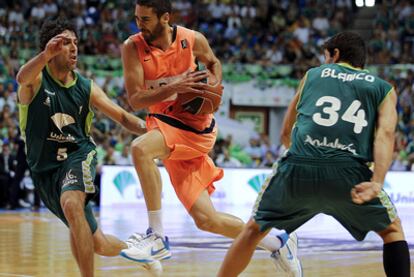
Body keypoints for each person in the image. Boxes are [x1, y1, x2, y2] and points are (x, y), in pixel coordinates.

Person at [119, 0, 301, 275]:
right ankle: (279, 242)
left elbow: (214, 63)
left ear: (165, 18)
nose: (139, 24)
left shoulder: (191, 40)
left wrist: (212, 89)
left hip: (195, 129)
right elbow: (134, 99)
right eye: (137, 18)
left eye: (145, 19)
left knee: (140, 149)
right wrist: (175, 85)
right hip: (165, 126)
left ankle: (156, 236)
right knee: (207, 220)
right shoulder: (132, 47)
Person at [218, 31, 411, 277]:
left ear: (335, 54)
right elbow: (385, 135)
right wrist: (377, 182)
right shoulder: (384, 89)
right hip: (349, 172)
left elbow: (286, 132)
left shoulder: (312, 75)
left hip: (299, 166)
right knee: (391, 231)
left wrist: (308, 159)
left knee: (254, 230)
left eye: (325, 55)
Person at [16, 18, 149, 277]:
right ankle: (138, 250)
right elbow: (21, 77)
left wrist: (155, 131)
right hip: (45, 170)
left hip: (78, 155)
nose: (74, 48)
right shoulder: (35, 81)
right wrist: (45, 56)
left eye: (76, 43)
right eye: (66, 43)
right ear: (51, 48)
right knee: (97, 242)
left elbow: (123, 117)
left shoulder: (86, 87)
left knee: (71, 203)